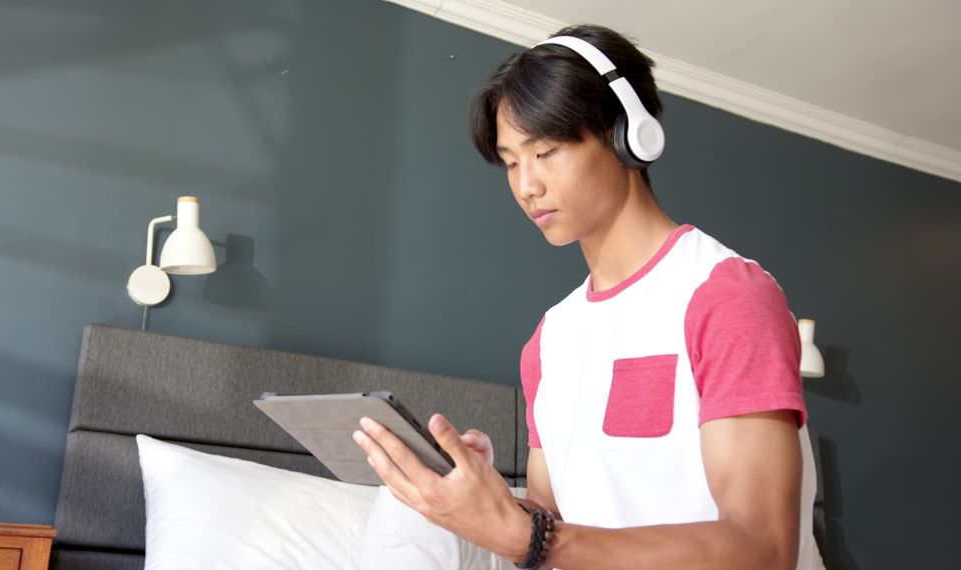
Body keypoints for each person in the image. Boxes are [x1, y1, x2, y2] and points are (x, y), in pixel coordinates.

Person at [353, 23, 823, 570]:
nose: (526, 185)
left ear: (628, 136)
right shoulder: (550, 340)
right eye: (510, 162)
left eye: (545, 151)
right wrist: (489, 501)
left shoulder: (726, 296)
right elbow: (553, 520)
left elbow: (761, 548)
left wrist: (532, 536)